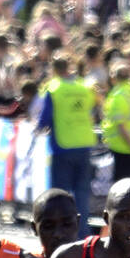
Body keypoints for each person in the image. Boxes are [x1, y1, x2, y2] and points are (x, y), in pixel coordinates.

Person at [37, 53, 97, 238]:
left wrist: (38, 128)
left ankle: (61, 231)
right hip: (83, 144)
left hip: (62, 146)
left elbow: (45, 118)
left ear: (54, 69)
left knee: (60, 194)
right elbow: (91, 110)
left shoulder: (54, 88)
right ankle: (82, 233)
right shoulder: (83, 87)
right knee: (82, 193)